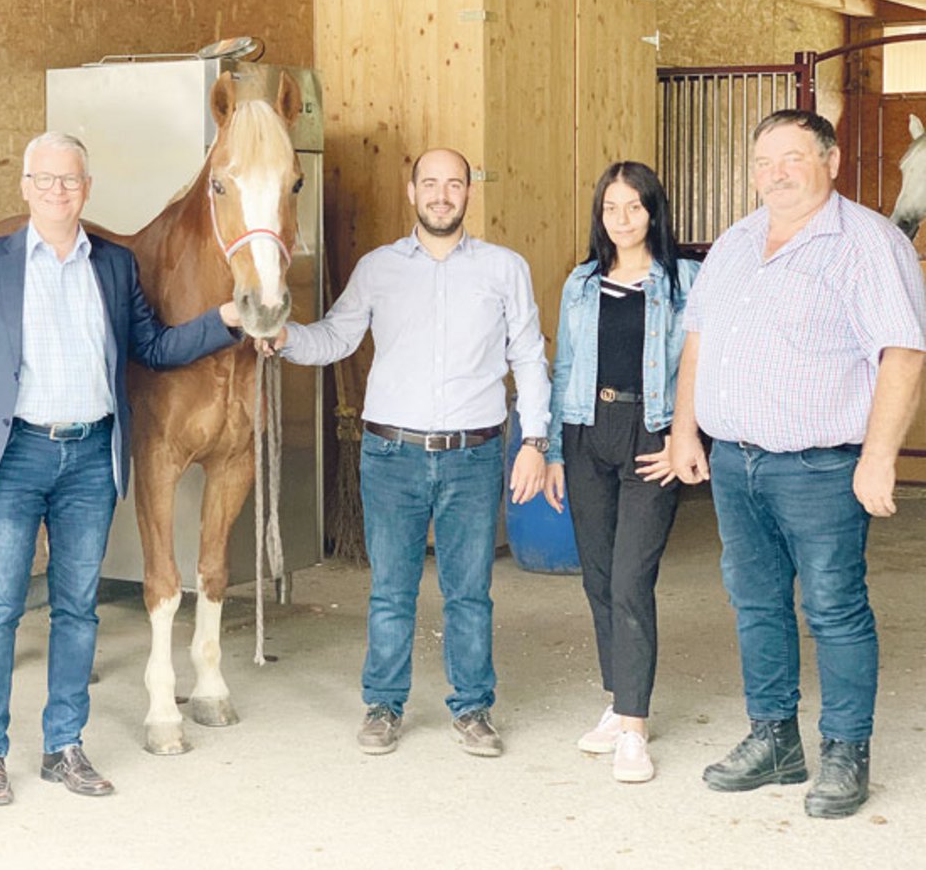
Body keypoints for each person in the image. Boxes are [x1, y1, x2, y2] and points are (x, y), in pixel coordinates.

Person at [0, 131, 241, 807]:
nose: (57, 192)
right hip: (10, 457)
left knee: (77, 610)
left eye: (70, 181)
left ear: (86, 190)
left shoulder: (115, 268)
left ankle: (65, 745)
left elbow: (154, 347)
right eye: (45, 181)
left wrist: (226, 319)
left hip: (89, 458)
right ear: (25, 186)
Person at [670, 109, 925, 819]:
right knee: (755, 605)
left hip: (821, 468)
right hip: (735, 463)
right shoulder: (736, 241)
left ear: (832, 161)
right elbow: (698, 341)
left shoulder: (869, 244)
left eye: (792, 158)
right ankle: (774, 738)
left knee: (835, 609)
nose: (775, 173)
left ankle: (846, 751)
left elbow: (903, 354)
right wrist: (685, 431)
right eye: (763, 162)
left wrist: (879, 461)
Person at [261, 147, 549, 757]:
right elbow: (336, 337)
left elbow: (529, 356)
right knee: (391, 589)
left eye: (454, 183)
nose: (442, 194)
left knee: (469, 591)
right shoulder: (377, 269)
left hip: (473, 455)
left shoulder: (504, 268)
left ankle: (473, 709)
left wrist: (535, 441)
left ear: (470, 191)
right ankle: (383, 706)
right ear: (410, 190)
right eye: (430, 183)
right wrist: (284, 338)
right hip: (391, 456)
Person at [542, 161, 699, 783]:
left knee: (633, 579)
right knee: (601, 578)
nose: (623, 218)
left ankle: (634, 727)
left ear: (654, 212)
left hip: (650, 436)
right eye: (612, 208)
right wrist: (554, 449)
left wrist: (687, 436)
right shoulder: (581, 282)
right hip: (587, 433)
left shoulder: (684, 280)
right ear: (600, 215)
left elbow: (700, 364)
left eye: (635, 206)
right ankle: (618, 701)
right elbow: (563, 369)